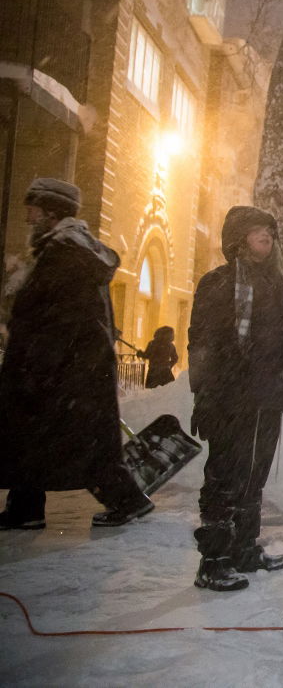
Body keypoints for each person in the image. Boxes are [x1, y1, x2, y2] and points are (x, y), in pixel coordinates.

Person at [0, 178, 154, 529]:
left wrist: (38, 365)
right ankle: (26, 507)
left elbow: (59, 319)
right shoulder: (62, 250)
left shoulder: (65, 254)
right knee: (37, 438)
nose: (28, 217)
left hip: (65, 372)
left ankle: (127, 500)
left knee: (82, 443)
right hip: (67, 369)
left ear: (52, 213)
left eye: (34, 210)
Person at [188, 206, 283, 592]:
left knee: (254, 478)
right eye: (259, 230)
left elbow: (281, 341)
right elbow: (202, 346)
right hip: (230, 400)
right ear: (238, 239)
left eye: (270, 231)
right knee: (225, 478)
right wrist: (206, 395)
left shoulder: (276, 284)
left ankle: (244, 548)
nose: (268, 236)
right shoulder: (219, 284)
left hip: (266, 400)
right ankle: (213, 561)